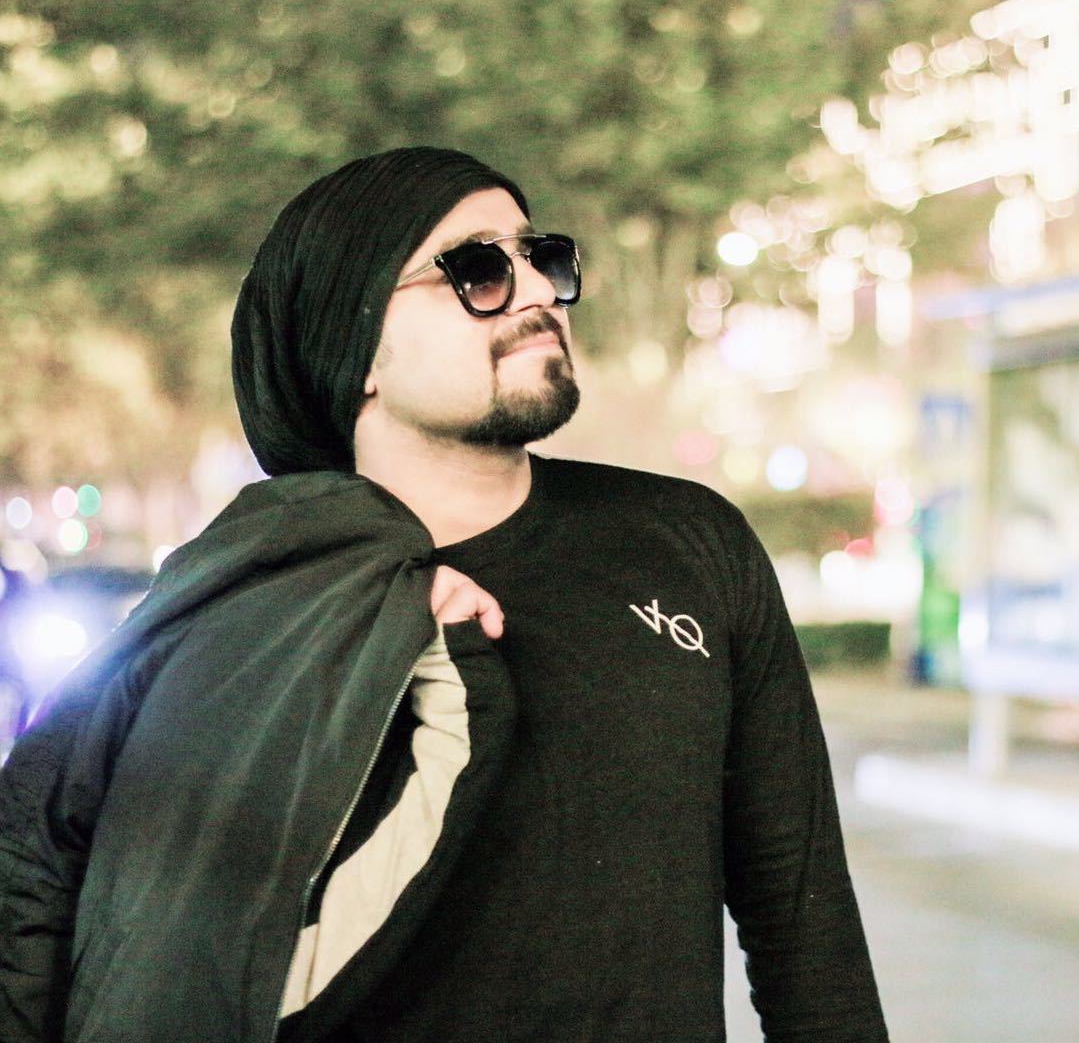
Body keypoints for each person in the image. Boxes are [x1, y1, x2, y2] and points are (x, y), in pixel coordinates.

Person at [0, 147, 888, 1042]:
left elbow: (802, 921)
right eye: (475, 269)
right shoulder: (257, 615)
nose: (536, 291)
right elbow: (98, 911)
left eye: (540, 257)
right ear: (354, 353)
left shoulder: (687, 541)